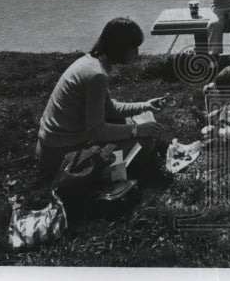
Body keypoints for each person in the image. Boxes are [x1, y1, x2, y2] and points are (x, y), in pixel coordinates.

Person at [35, 17, 168, 181]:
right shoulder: (96, 75)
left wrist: (144, 105)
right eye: (133, 48)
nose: (137, 53)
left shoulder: (89, 62)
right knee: (145, 143)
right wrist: (137, 130)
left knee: (125, 123)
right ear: (119, 47)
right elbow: (96, 131)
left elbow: (109, 109)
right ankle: (101, 176)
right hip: (61, 157)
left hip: (50, 148)